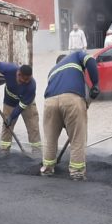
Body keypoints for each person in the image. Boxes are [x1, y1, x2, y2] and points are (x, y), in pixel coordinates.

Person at [40, 51, 100, 181]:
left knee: (50, 138)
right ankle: (77, 172)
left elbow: (58, 92)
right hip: (71, 99)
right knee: (77, 137)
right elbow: (91, 61)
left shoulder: (52, 71)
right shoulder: (77, 55)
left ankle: (48, 168)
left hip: (49, 102)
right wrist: (95, 83)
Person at [0, 62, 40, 156]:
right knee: (7, 126)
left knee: (33, 126)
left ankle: (36, 152)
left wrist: (12, 117)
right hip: (9, 101)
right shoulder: (9, 69)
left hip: (26, 103)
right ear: (18, 74)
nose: (26, 82)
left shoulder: (31, 86)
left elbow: (21, 107)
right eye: (24, 79)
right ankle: (4, 150)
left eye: (29, 79)